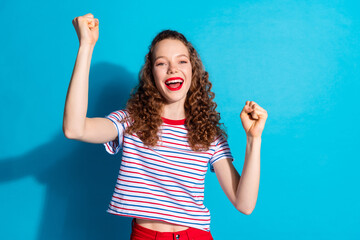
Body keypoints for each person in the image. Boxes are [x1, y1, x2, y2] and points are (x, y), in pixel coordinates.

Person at [64, 13, 268, 240]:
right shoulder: (130, 122)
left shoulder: (208, 135)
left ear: (193, 70)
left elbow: (245, 204)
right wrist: (86, 46)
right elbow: (75, 129)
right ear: (151, 74)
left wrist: (253, 139)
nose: (173, 69)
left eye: (182, 61)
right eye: (162, 63)